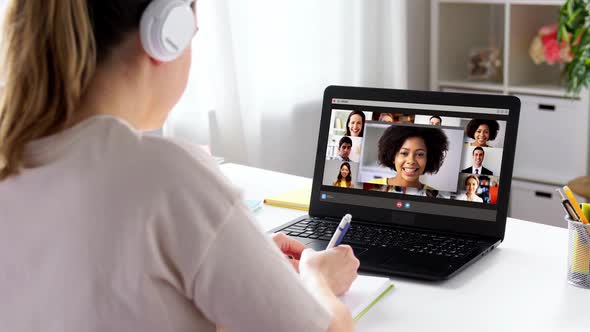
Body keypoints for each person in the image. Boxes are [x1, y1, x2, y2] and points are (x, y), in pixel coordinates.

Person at [0, 1, 359, 331]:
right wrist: (317, 279)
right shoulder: (162, 173)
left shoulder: (12, 165)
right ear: (164, 35)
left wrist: (244, 263)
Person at [369, 125, 449, 196]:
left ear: (428, 159)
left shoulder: (435, 194)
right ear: (393, 157)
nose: (411, 161)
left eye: (420, 154)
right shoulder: (372, 185)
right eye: (404, 153)